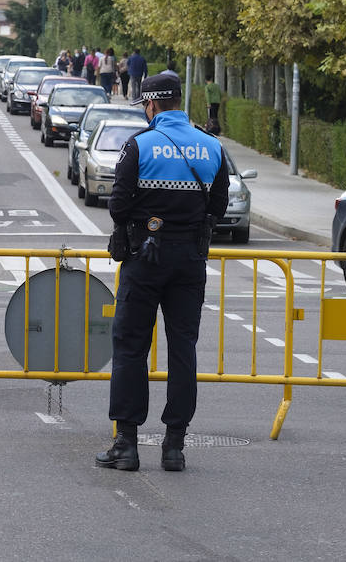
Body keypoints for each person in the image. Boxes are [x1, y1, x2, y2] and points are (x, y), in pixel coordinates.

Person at [98, 72, 227, 473]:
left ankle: (126, 444)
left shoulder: (139, 146)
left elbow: (117, 206)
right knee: (183, 348)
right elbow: (218, 208)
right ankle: (174, 446)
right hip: (190, 260)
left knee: (131, 347)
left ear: (151, 105)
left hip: (143, 258)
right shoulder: (212, 147)